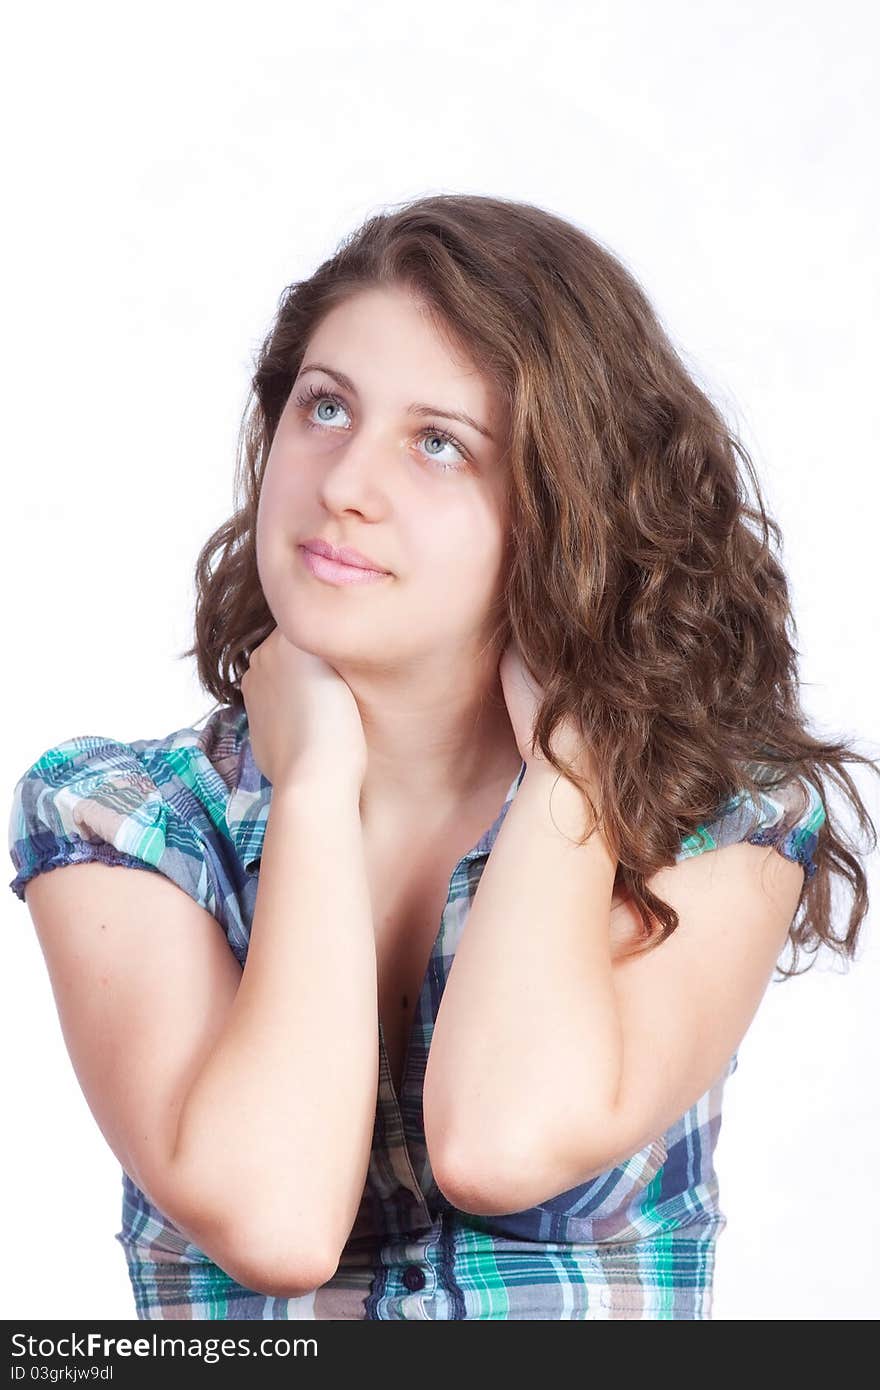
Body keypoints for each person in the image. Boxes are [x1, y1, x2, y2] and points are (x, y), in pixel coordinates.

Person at [8, 193, 876, 1320]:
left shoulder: (717, 819)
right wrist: (316, 786)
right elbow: (275, 1219)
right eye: (325, 407)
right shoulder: (120, 817)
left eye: (437, 443)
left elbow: (502, 1139)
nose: (343, 484)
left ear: (568, 504)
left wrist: (571, 761)